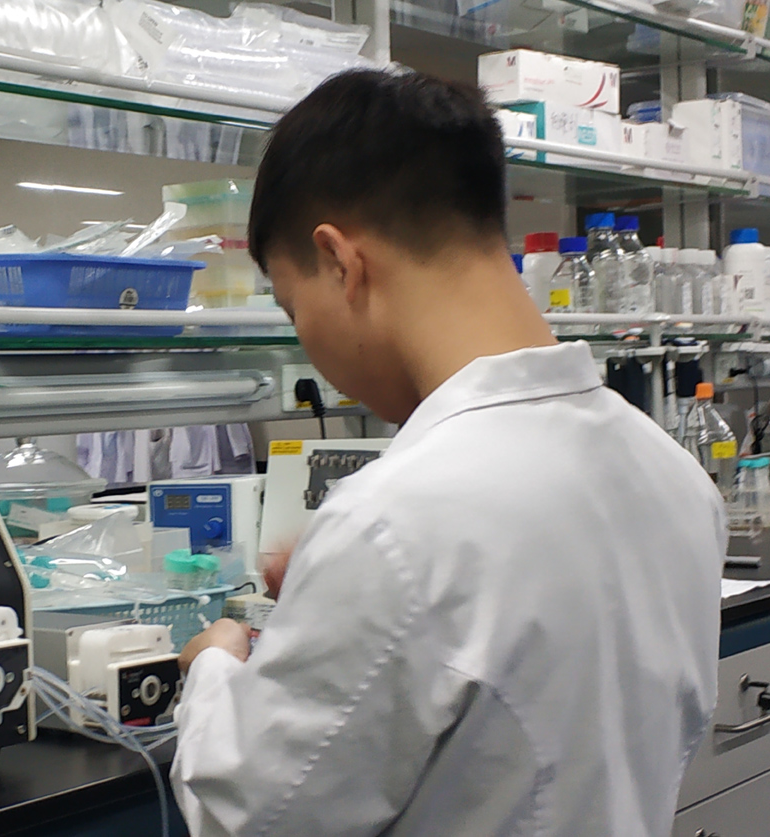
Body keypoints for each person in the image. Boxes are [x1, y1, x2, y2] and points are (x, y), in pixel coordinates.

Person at [169, 69, 723, 837]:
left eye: (296, 309)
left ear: (340, 261)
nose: (308, 339)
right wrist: (340, 596)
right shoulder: (679, 480)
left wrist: (213, 664)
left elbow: (249, 818)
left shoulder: (393, 526)